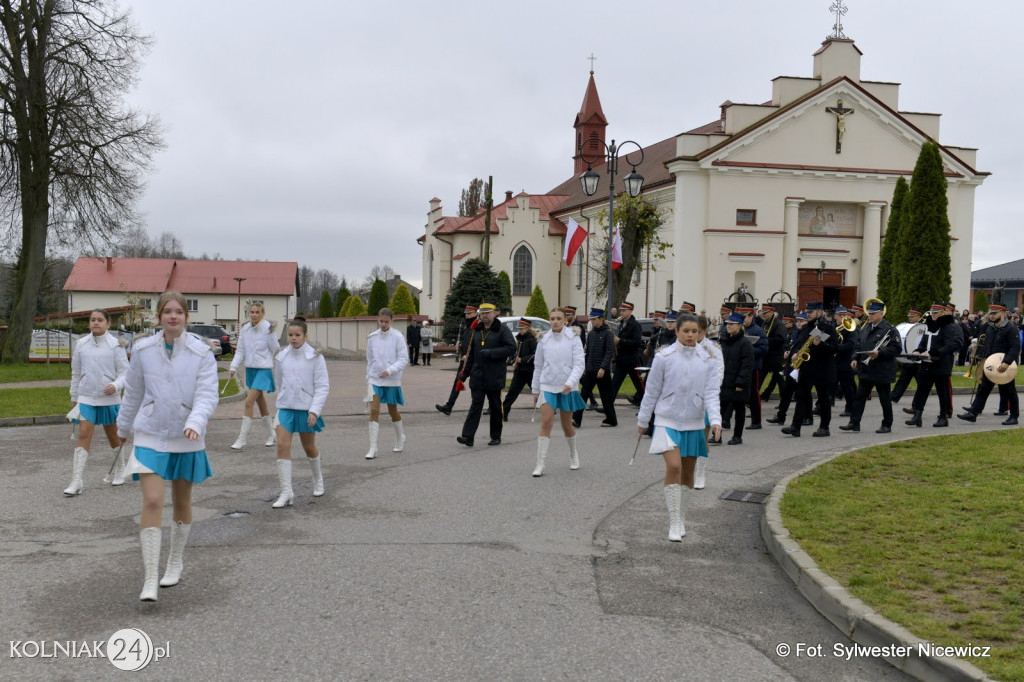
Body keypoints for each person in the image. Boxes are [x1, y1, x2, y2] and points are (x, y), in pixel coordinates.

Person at [116, 291, 218, 602]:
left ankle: (175, 561)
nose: (173, 316)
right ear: (159, 316)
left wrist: (195, 422)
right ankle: (150, 578)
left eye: (179, 312)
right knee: (152, 500)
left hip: (187, 437)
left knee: (182, 501)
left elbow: (207, 395)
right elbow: (133, 392)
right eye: (167, 311)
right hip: (150, 434)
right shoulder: (143, 350)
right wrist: (123, 427)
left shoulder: (202, 352)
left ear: (186, 317)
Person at [637, 313, 722, 542]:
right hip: (667, 419)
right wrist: (643, 421)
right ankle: (674, 522)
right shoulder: (664, 357)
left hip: (694, 421)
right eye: (686, 331)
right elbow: (652, 391)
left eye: (695, 331)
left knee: (687, 472)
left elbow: (711, 393)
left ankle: (682, 518)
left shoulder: (708, 358)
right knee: (674, 466)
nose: (691, 335)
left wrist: (715, 419)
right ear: (677, 332)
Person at [65, 308, 130, 495]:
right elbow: (76, 372)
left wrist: (116, 385)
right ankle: (76, 480)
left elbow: (125, 373)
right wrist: (74, 397)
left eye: (100, 320)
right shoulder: (81, 344)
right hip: (86, 397)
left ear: (108, 324)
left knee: (113, 436)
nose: (95, 322)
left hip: (109, 398)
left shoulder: (116, 345)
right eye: (93, 319)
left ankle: (120, 469)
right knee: (83, 434)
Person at [271, 317, 329, 507]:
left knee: (309, 447)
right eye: (290, 335)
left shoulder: (315, 357)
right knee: (282, 445)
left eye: (297, 335)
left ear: (305, 335)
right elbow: (279, 382)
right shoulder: (281, 357)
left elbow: (322, 386)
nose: (293, 338)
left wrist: (315, 410)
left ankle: (318, 479)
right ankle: (286, 491)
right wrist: (284, 398)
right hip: (286, 407)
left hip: (306, 409)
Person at [530, 308, 586, 476]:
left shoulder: (573, 337)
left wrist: (570, 382)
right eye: (552, 318)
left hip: (567, 386)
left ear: (565, 320)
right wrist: (535, 389)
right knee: (546, 422)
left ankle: (573, 455)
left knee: (566, 426)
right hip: (548, 385)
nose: (555, 321)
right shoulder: (543, 339)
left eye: (559, 318)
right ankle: (540, 463)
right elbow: (538, 366)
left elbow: (579, 364)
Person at [839, 299, 902, 434]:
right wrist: (855, 358)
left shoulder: (890, 330)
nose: (870, 316)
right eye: (869, 313)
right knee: (859, 397)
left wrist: (880, 353)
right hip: (866, 369)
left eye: (873, 313)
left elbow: (896, 349)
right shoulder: (866, 328)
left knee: (884, 399)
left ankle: (887, 424)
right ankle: (854, 423)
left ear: (881, 314)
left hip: (882, 369)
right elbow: (859, 345)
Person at [457, 303, 516, 447]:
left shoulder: (502, 329)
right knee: (476, 405)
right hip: (478, 375)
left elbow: (511, 348)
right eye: (482, 313)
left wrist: (492, 353)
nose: (485, 316)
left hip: (494, 375)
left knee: (495, 406)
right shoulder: (476, 330)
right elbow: (471, 354)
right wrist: (464, 374)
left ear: (494, 313)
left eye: (488, 313)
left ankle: (495, 436)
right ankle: (468, 436)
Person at [228, 302, 280, 450]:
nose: (254, 315)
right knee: (261, 403)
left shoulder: (268, 329)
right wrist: (233, 367)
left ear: (263, 314)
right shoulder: (245, 329)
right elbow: (240, 351)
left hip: (263, 370)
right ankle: (272, 434)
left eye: (257, 312)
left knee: (248, 402)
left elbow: (275, 349)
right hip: (250, 370)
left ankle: (242, 439)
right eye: (252, 312)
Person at [958, 304, 1020, 426]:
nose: (991, 316)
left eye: (994, 313)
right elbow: (987, 344)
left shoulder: (1010, 329)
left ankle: (1014, 416)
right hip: (991, 363)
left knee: (1009, 391)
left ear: (1003, 313)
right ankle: (973, 413)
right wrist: (982, 358)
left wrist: (1006, 362)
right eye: (990, 313)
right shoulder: (990, 328)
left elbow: (1015, 348)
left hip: (1004, 365)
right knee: (983, 389)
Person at [782, 302, 838, 438]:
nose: (808, 314)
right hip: (807, 368)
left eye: (811, 312)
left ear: (819, 312)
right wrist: (796, 354)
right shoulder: (807, 328)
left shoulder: (826, 328)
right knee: (801, 396)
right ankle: (796, 426)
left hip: (822, 368)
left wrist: (821, 344)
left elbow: (834, 348)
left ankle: (824, 427)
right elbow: (802, 345)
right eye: (807, 312)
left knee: (823, 398)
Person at [904, 303, 962, 428]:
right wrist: (918, 351)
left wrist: (933, 353)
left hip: (942, 364)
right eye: (932, 313)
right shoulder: (928, 325)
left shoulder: (949, 326)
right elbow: (924, 342)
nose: (933, 315)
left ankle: (943, 417)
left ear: (942, 313)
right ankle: (917, 415)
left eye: (936, 313)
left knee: (942, 392)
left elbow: (950, 345)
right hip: (927, 363)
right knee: (922, 390)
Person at [365, 308, 409, 458]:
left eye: (386, 321)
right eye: (381, 321)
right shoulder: (372, 337)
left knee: (392, 411)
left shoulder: (398, 336)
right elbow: (369, 359)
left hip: (392, 379)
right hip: (375, 378)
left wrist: (390, 370)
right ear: (377, 319)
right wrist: (368, 377)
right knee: (374, 410)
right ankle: (373, 447)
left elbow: (403, 359)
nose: (383, 324)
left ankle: (400, 437)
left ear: (392, 321)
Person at [572, 307, 617, 428]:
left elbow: (609, 352)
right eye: (591, 319)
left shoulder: (608, 333)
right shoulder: (591, 334)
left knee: (606, 396)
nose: (592, 321)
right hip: (591, 369)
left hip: (602, 371)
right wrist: (585, 366)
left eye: (594, 319)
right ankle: (576, 419)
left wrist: (603, 368)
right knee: (583, 394)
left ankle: (611, 419)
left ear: (601, 319)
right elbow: (588, 352)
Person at [719, 313, 754, 445]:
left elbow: (747, 365)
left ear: (739, 326)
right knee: (720, 410)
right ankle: (717, 435)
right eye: (727, 324)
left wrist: (740, 382)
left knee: (739, 409)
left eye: (732, 324)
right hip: (724, 381)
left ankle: (737, 436)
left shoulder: (745, 344)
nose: (728, 326)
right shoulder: (723, 341)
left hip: (738, 383)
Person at [436, 305, 478, 415]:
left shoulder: (477, 326)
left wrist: (469, 355)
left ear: (475, 313)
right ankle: (449, 407)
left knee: (476, 386)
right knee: (458, 382)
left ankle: (480, 408)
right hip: (464, 361)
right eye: (466, 314)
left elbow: (477, 344)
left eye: (469, 313)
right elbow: (467, 341)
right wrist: (460, 345)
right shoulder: (467, 326)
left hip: (474, 361)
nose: (467, 315)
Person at [502, 319, 538, 421]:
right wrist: (514, 362)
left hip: (530, 371)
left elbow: (535, 355)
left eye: (522, 328)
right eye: (519, 329)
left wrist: (522, 360)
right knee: (512, 393)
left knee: (538, 392)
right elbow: (516, 353)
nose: (520, 330)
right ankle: (503, 413)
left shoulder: (532, 340)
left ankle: (550, 409)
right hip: (520, 371)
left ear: (527, 328)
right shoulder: (519, 339)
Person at [609, 301, 645, 406]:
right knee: (614, 384)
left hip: (632, 360)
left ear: (630, 311)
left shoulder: (635, 325)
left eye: (624, 311)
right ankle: (608, 407)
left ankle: (648, 405)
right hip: (621, 359)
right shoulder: (620, 324)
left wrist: (620, 341)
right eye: (621, 310)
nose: (621, 312)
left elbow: (637, 342)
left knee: (639, 385)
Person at [738, 307, 768, 430]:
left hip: (753, 366)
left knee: (754, 394)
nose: (743, 319)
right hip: (741, 366)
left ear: (751, 316)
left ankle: (756, 421)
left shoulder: (757, 331)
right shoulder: (740, 329)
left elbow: (764, 349)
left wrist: (748, 350)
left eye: (745, 317)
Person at [890, 308, 923, 403]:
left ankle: (920, 400)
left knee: (921, 382)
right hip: (908, 358)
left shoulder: (923, 327)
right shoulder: (907, 327)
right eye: (909, 316)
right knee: (903, 379)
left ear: (918, 317)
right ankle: (893, 397)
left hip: (918, 360)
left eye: (912, 316)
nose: (910, 318)